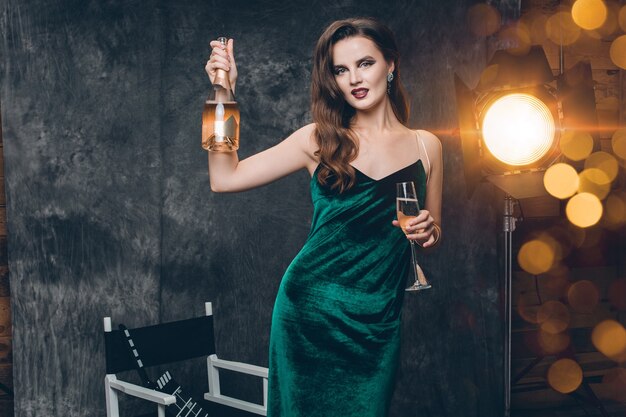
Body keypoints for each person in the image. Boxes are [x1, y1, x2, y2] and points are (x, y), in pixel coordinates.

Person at [205, 17, 442, 417]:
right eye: (341, 69)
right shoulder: (318, 139)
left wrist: (428, 231)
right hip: (310, 311)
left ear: (391, 64)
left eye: (365, 63)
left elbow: (432, 231)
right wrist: (222, 92)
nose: (354, 78)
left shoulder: (427, 146)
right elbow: (223, 178)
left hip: (378, 321)